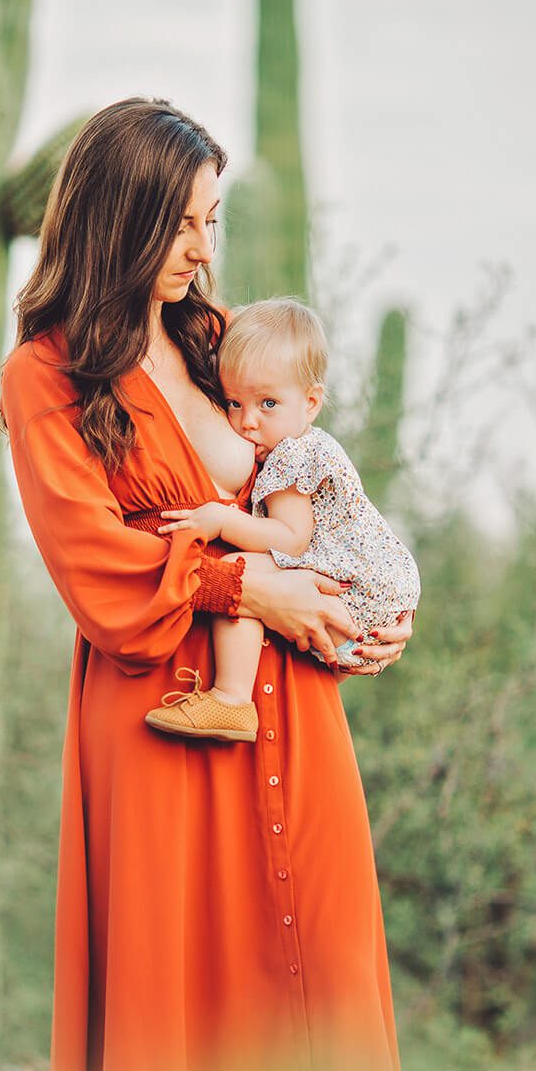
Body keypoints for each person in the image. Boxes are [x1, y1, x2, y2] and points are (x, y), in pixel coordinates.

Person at [0, 96, 413, 1071]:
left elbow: (310, 495)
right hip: (161, 717)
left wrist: (361, 609)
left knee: (317, 989)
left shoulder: (213, 341)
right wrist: (246, 588)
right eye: (184, 223)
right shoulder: (46, 377)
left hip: (295, 710)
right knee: (166, 1028)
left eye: (213, 220)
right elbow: (93, 564)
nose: (202, 249)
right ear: (122, 221)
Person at [145, 297, 422, 742]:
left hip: (358, 593)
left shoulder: (292, 457)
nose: (247, 421)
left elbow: (290, 540)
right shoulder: (307, 445)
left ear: (311, 403)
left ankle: (232, 699)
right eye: (233, 403)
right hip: (377, 593)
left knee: (240, 573)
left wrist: (219, 520)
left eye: (268, 403)